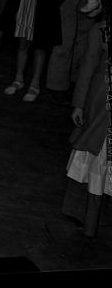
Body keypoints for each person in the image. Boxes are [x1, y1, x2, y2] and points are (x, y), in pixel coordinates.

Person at [61, 17, 111, 237]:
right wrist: (79, 104)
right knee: (95, 159)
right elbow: (87, 70)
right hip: (101, 108)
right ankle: (86, 219)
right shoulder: (101, 30)